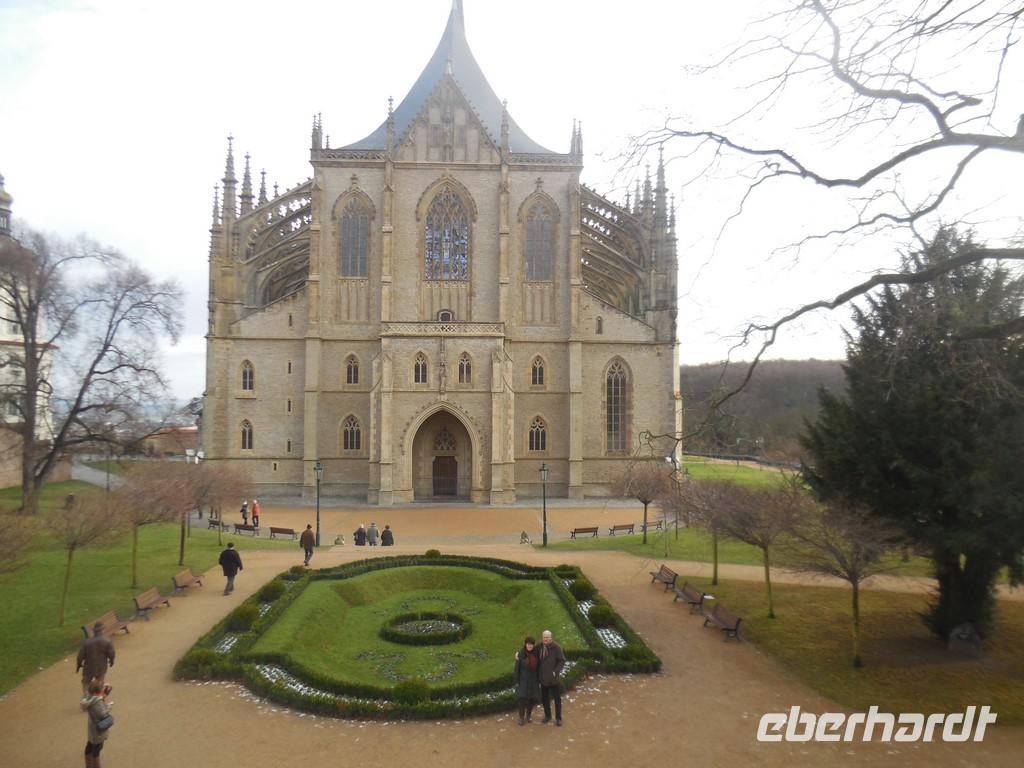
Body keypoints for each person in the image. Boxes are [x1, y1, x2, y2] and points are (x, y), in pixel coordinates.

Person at [81, 676, 112, 768]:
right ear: (99, 691)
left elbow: (96, 698)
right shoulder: (98, 703)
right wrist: (108, 706)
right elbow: (103, 715)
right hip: (98, 732)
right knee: (96, 751)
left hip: (92, 730)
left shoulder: (89, 699)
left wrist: (102, 696)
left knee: (89, 748)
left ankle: (88, 766)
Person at [76, 623, 115, 696]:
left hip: (88, 667)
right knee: (100, 682)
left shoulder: (86, 642)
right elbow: (111, 653)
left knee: (86, 682)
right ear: (102, 630)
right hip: (101, 667)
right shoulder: (107, 641)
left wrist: (78, 665)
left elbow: (80, 656)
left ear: (94, 632)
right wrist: (111, 661)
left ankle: (87, 697)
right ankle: (99, 698)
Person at [538, 629, 566, 726]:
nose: (545, 639)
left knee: (557, 699)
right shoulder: (540, 646)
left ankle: (558, 718)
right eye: (544, 637)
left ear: (551, 637)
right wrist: (518, 654)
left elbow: (562, 661)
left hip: (554, 679)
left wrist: (556, 671)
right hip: (543, 679)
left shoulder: (556, 647)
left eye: (547, 637)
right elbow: (529, 649)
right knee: (545, 699)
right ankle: (547, 716)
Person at [513, 636, 541, 725]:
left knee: (531, 700)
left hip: (534, 680)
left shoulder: (536, 652)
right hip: (523, 681)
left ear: (533, 645)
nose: (530, 646)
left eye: (531, 644)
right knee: (522, 700)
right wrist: (516, 681)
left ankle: (528, 716)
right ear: (525, 644)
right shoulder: (520, 654)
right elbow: (517, 669)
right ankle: (521, 718)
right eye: (528, 644)